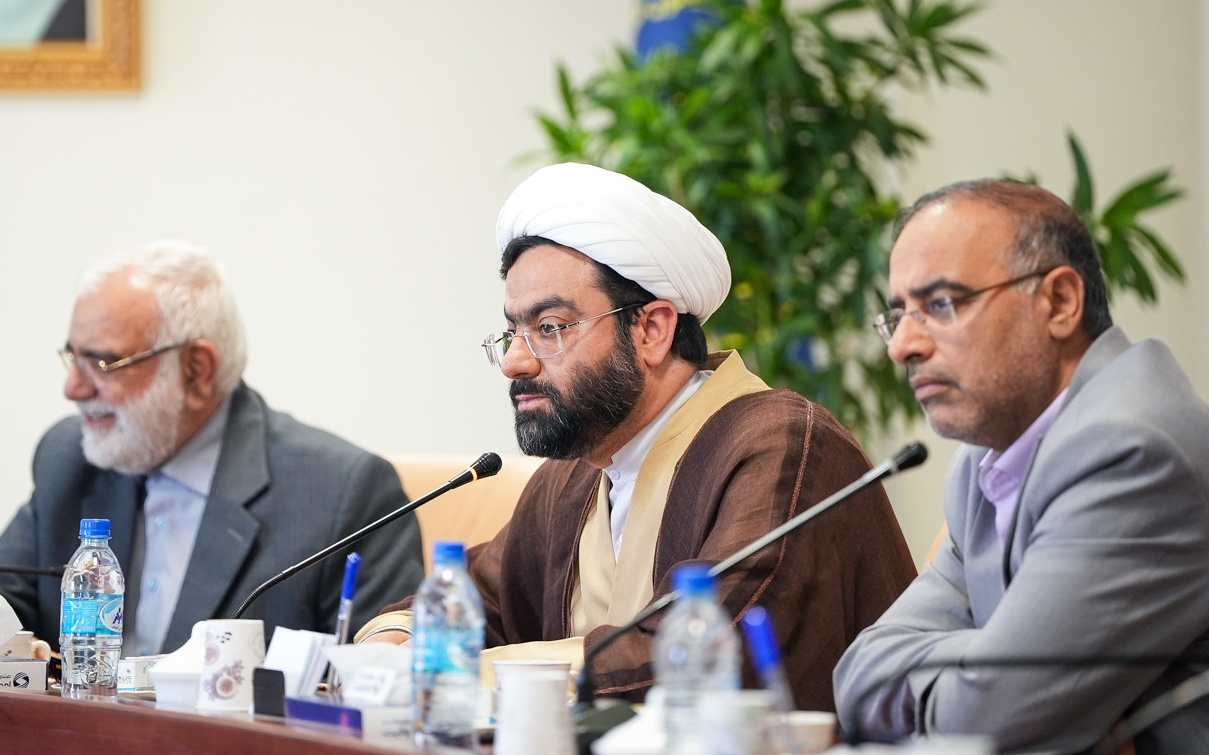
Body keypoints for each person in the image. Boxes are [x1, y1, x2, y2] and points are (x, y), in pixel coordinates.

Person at [356, 163, 917, 709]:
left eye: (549, 328)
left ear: (651, 329)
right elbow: (477, 600)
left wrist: (448, 669)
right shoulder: (573, 477)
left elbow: (706, 656)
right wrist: (395, 642)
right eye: (512, 332)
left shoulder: (780, 446)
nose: (515, 362)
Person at [833, 180, 1209, 752]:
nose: (903, 346)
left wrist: (995, 672)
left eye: (941, 305)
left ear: (1059, 302)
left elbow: (989, 721)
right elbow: (860, 674)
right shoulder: (986, 464)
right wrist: (998, 659)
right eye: (898, 315)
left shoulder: (1134, 453)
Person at [0, 241, 424, 654]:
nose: (73, 388)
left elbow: (380, 682)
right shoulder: (70, 457)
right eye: (73, 357)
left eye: (102, 362)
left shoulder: (343, 493)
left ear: (196, 370)